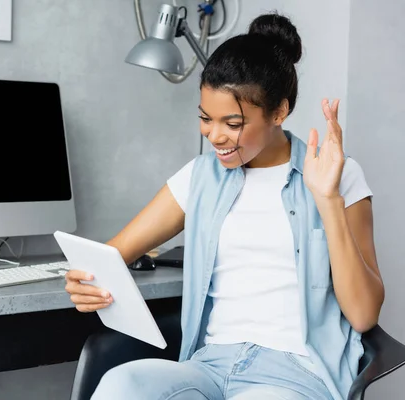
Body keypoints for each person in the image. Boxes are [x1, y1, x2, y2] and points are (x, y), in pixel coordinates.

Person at [64, 12, 384, 400]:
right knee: (120, 385)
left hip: (295, 374)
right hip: (209, 366)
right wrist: (87, 282)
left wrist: (328, 200)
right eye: (205, 118)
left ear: (279, 112)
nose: (215, 136)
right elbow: (109, 258)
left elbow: (365, 314)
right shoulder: (199, 177)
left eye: (232, 123)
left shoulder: (338, 175)